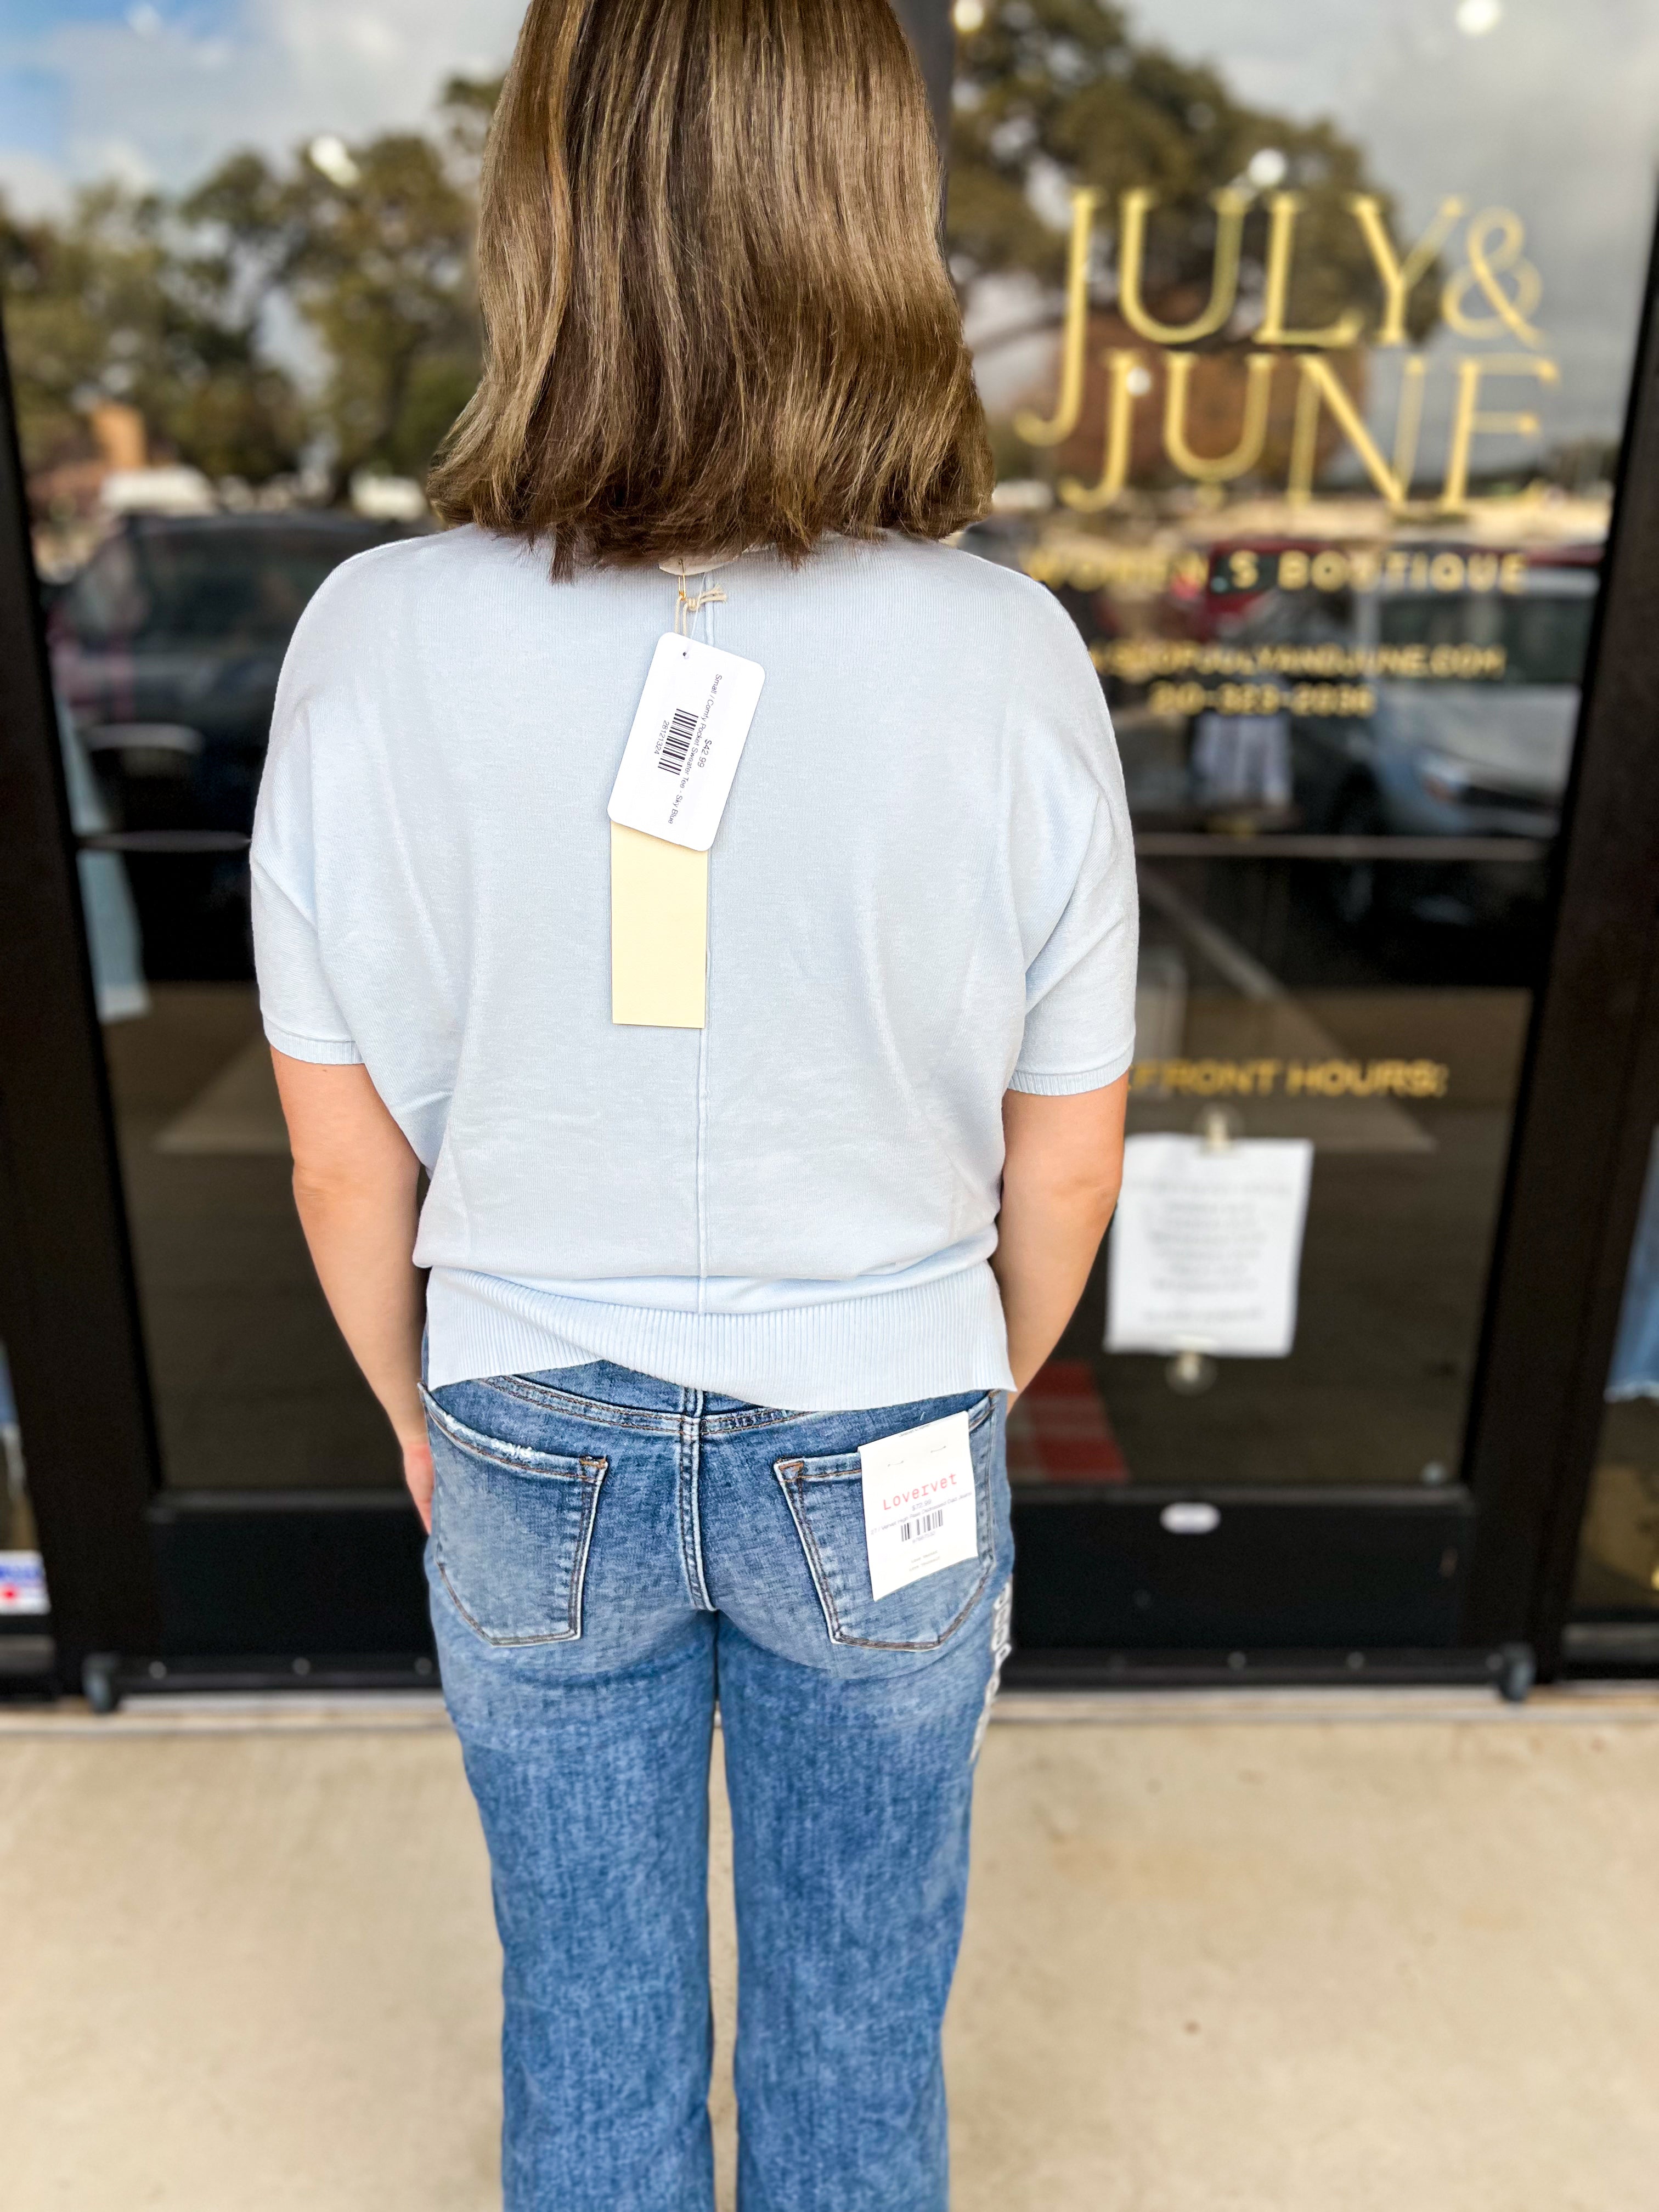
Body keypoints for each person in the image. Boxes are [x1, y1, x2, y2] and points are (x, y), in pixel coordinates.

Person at [252, 1, 1136, 2204]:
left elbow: (338, 1153)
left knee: (591, 2040)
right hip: (894, 1420)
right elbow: (1072, 1151)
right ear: (876, 210)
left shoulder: (369, 641)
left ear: (548, 206)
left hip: (530, 1411)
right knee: (859, 2045)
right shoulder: (1010, 655)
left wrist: (413, 1415)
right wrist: (957, 1385)